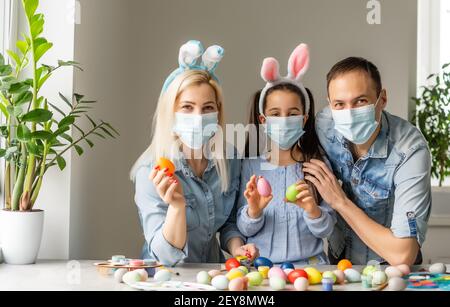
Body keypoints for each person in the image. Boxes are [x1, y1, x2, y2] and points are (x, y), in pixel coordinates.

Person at [130, 40, 258, 266]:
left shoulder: (230, 160)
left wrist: (239, 249)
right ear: (170, 112)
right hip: (165, 279)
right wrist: (177, 206)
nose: (198, 117)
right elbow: (166, 257)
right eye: (187, 107)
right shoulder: (150, 170)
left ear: (218, 113)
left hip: (211, 274)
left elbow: (228, 224)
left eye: (208, 107)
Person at [305, 56, 431, 265]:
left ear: (382, 99)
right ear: (330, 105)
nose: (350, 113)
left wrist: (340, 202)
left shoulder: (410, 149)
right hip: (340, 260)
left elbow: (403, 254)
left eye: (360, 101)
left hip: (391, 268)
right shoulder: (324, 124)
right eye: (339, 104)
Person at [236, 44, 336, 265]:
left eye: (292, 114)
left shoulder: (317, 165)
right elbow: (242, 228)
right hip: (263, 270)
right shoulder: (251, 167)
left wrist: (313, 211)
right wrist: (254, 211)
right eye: (275, 113)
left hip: (312, 271)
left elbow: (327, 229)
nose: (283, 119)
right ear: (263, 120)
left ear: (304, 118)